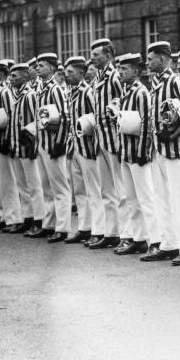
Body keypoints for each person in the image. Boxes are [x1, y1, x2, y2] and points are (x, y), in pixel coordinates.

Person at [141, 40, 180, 264]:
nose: (147, 62)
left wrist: (172, 135)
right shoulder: (156, 82)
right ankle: (170, 243)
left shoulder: (175, 81)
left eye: (151, 58)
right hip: (159, 149)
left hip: (174, 150)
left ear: (163, 59)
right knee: (162, 197)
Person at [115, 53, 157, 254]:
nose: (120, 72)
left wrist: (142, 152)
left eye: (124, 69)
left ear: (136, 71)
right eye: (120, 68)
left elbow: (147, 123)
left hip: (137, 153)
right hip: (126, 152)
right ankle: (139, 237)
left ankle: (155, 240)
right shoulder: (126, 92)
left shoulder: (140, 93)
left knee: (146, 198)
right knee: (132, 199)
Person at [89, 38, 126, 249]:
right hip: (101, 139)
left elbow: (123, 103)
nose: (93, 57)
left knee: (120, 189)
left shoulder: (114, 77)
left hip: (114, 138)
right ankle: (111, 232)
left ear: (108, 56)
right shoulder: (97, 79)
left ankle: (125, 233)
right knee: (107, 189)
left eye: (97, 54)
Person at [32, 53, 72, 243]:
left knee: (59, 187)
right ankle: (49, 224)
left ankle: (62, 228)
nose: (38, 68)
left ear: (51, 68)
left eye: (42, 65)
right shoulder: (40, 88)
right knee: (46, 186)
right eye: (38, 65)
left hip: (53, 144)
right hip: (42, 143)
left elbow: (64, 116)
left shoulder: (55, 89)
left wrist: (60, 143)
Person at [64, 56, 101, 244]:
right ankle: (84, 227)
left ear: (81, 73)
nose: (66, 75)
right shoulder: (71, 93)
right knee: (79, 189)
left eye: (70, 72)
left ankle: (99, 229)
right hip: (75, 147)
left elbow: (95, 118)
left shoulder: (88, 92)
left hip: (87, 147)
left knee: (93, 189)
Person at [8, 63, 46, 237]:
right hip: (17, 147)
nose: (11, 78)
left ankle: (39, 221)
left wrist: (33, 145)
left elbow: (37, 120)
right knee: (22, 186)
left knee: (34, 186)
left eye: (15, 76)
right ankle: (28, 218)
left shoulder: (30, 95)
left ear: (25, 76)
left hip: (28, 148)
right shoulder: (17, 95)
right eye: (11, 75)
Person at [0, 60, 23, 232]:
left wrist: (8, 141)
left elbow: (11, 116)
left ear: (1, 74)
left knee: (7, 183)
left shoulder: (5, 92)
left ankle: (14, 218)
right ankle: (2, 216)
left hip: (3, 143)